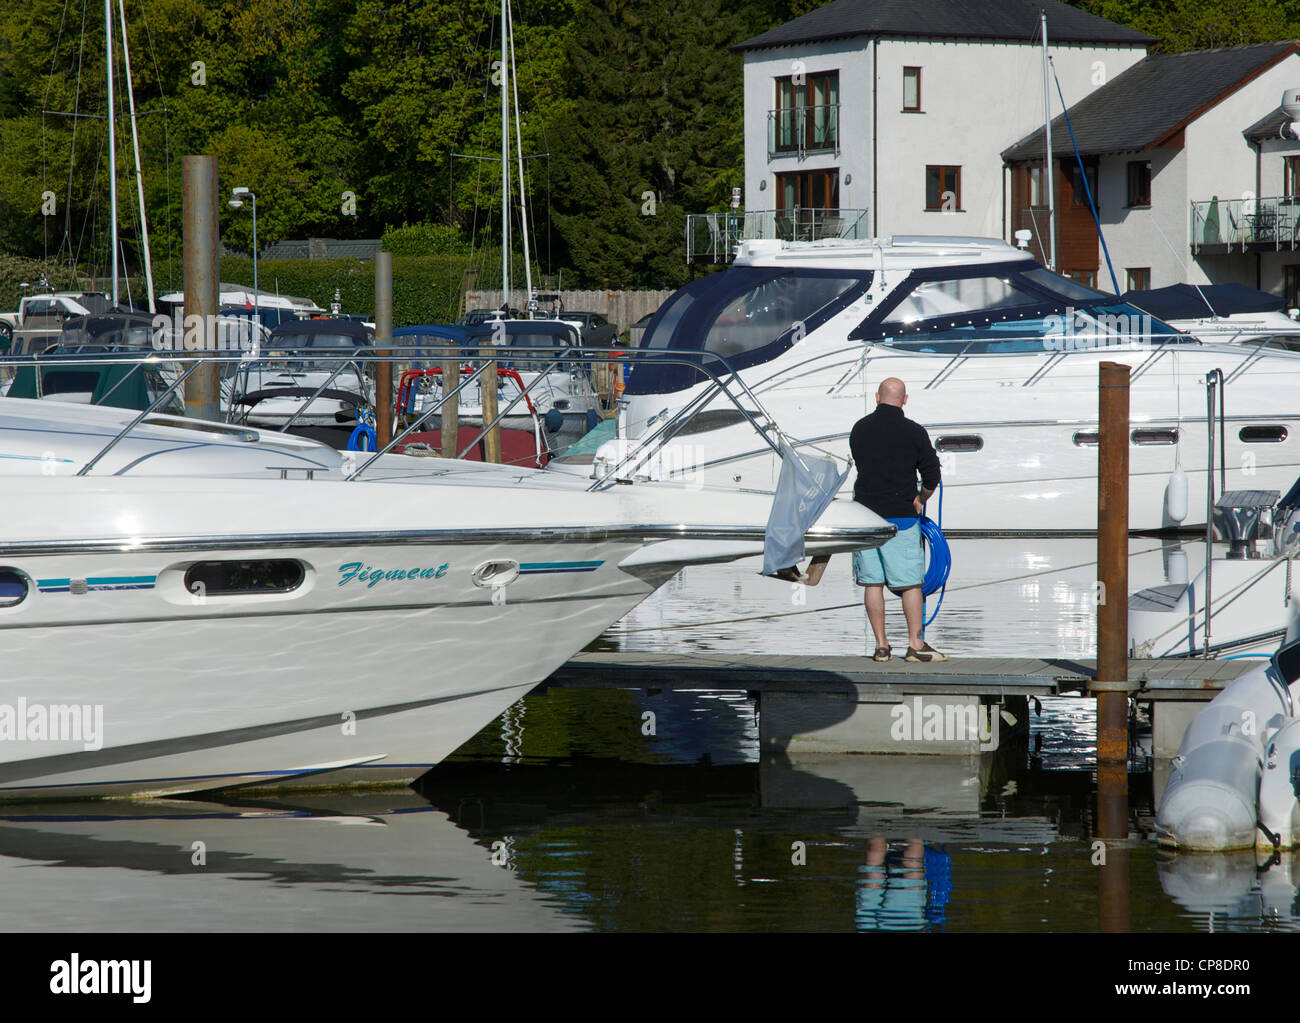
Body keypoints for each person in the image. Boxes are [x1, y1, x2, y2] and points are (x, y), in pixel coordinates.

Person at [849, 377, 945, 662]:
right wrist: (921, 498)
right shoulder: (914, 431)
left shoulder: (859, 429)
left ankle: (881, 646)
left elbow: (862, 463)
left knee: (872, 583)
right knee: (911, 584)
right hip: (901, 518)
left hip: (865, 517)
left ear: (878, 397)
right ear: (905, 399)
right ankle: (916, 646)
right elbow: (932, 474)